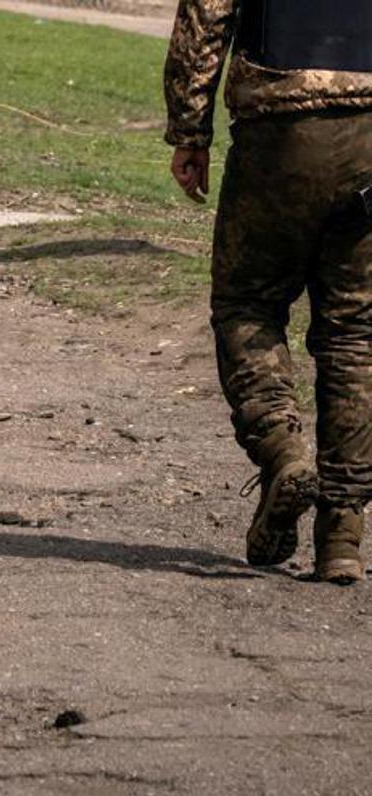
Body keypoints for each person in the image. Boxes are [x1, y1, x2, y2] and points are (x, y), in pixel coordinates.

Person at [164, 0, 372, 583]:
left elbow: (205, 19)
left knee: (246, 304)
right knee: (355, 332)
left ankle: (284, 451)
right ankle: (343, 536)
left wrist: (189, 130)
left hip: (279, 125)